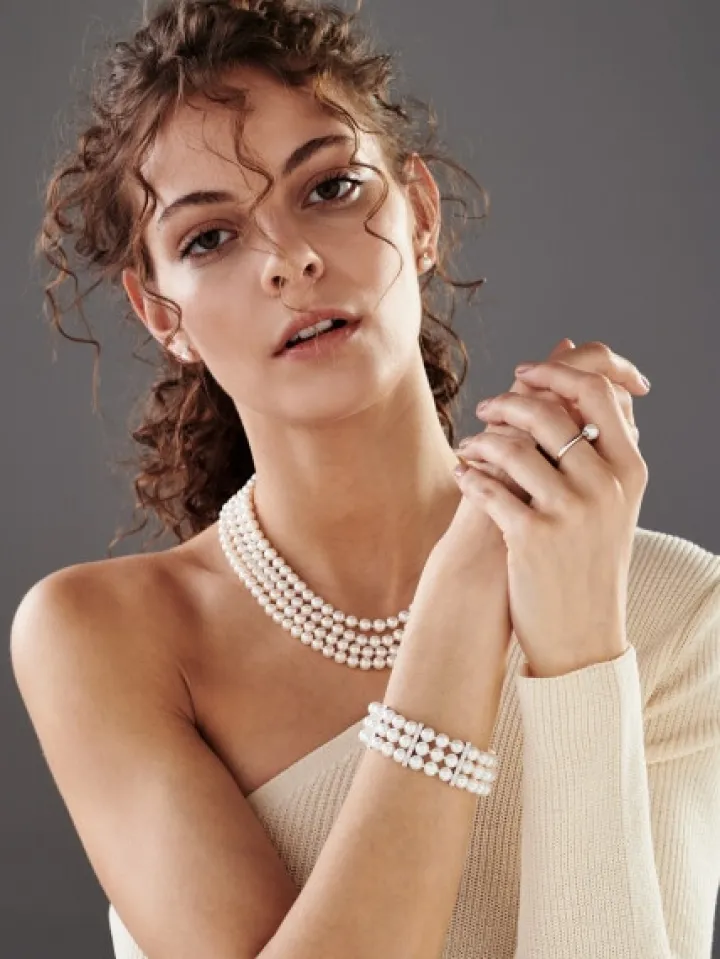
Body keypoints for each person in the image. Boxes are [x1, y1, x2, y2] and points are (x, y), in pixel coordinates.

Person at [10, 2, 719, 958]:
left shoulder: (676, 612)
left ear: (419, 213)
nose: (290, 258)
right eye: (210, 238)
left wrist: (582, 656)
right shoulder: (105, 637)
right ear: (161, 315)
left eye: (331, 187)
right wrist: (462, 601)